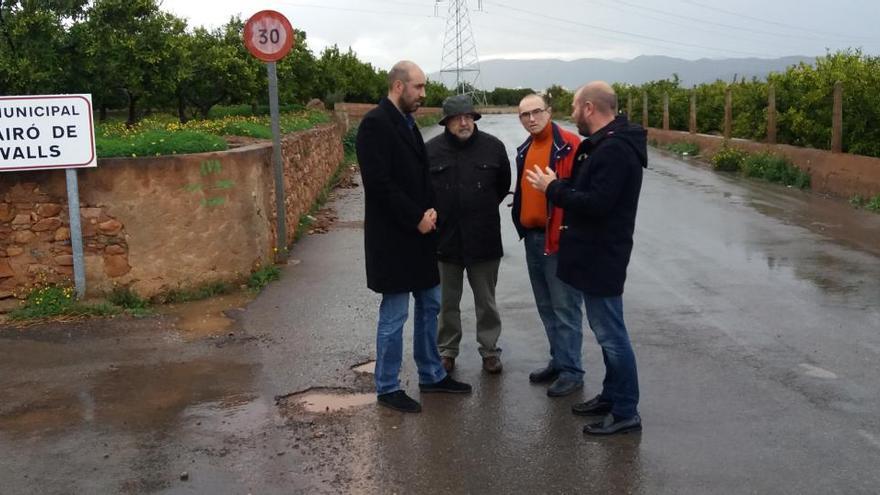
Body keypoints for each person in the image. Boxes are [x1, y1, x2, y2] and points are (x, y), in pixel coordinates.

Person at [526, 81, 646, 435]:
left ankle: (626, 410)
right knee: (606, 330)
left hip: (603, 256)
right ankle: (612, 395)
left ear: (590, 108)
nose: (573, 114)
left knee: (611, 335)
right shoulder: (605, 146)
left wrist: (553, 188)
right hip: (596, 254)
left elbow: (596, 204)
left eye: (576, 107)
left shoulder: (614, 150)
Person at [356, 60, 472, 414]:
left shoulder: (407, 123)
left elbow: (420, 177)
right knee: (394, 315)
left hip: (421, 235)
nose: (423, 94)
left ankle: (432, 374)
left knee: (430, 306)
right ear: (397, 86)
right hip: (393, 239)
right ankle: (387, 386)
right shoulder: (375, 124)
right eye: (418, 87)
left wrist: (431, 211)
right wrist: (415, 218)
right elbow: (379, 185)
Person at [426, 94, 511, 374]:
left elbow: (502, 186)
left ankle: (489, 351)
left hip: (484, 238)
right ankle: (447, 351)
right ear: (446, 122)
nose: (464, 123)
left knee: (486, 301)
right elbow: (424, 192)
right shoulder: (431, 151)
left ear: (474, 118)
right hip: (445, 240)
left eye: (468, 117)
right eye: (456, 118)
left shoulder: (493, 148)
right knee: (447, 303)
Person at [512, 93, 585, 397]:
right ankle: (559, 361)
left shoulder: (570, 145)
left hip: (560, 238)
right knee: (546, 306)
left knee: (565, 306)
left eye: (536, 112)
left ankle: (572, 371)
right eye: (524, 115)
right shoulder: (525, 149)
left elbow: (584, 194)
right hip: (532, 238)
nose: (531, 118)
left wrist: (558, 186)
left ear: (549, 112)